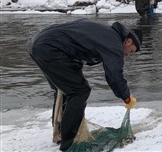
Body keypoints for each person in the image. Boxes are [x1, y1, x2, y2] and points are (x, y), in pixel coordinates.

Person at [28, 19, 142, 151]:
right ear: (128, 41)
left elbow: (76, 47)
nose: (127, 55)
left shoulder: (105, 33)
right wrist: (126, 96)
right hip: (50, 49)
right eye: (131, 51)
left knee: (65, 89)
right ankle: (70, 142)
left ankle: (61, 132)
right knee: (79, 91)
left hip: (39, 44)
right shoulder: (114, 43)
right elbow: (114, 76)